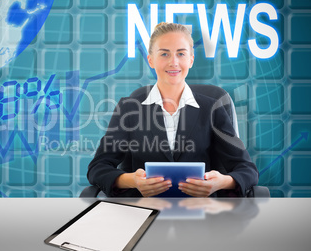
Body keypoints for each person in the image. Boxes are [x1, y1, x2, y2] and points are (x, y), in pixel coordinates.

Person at [87, 22, 258, 197]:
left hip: (200, 211)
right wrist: (133, 181)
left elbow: (246, 169)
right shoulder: (129, 108)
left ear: (191, 60)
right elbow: (98, 168)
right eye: (164, 54)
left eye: (181, 54)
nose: (173, 62)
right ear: (151, 60)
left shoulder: (212, 109)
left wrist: (222, 183)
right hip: (144, 208)